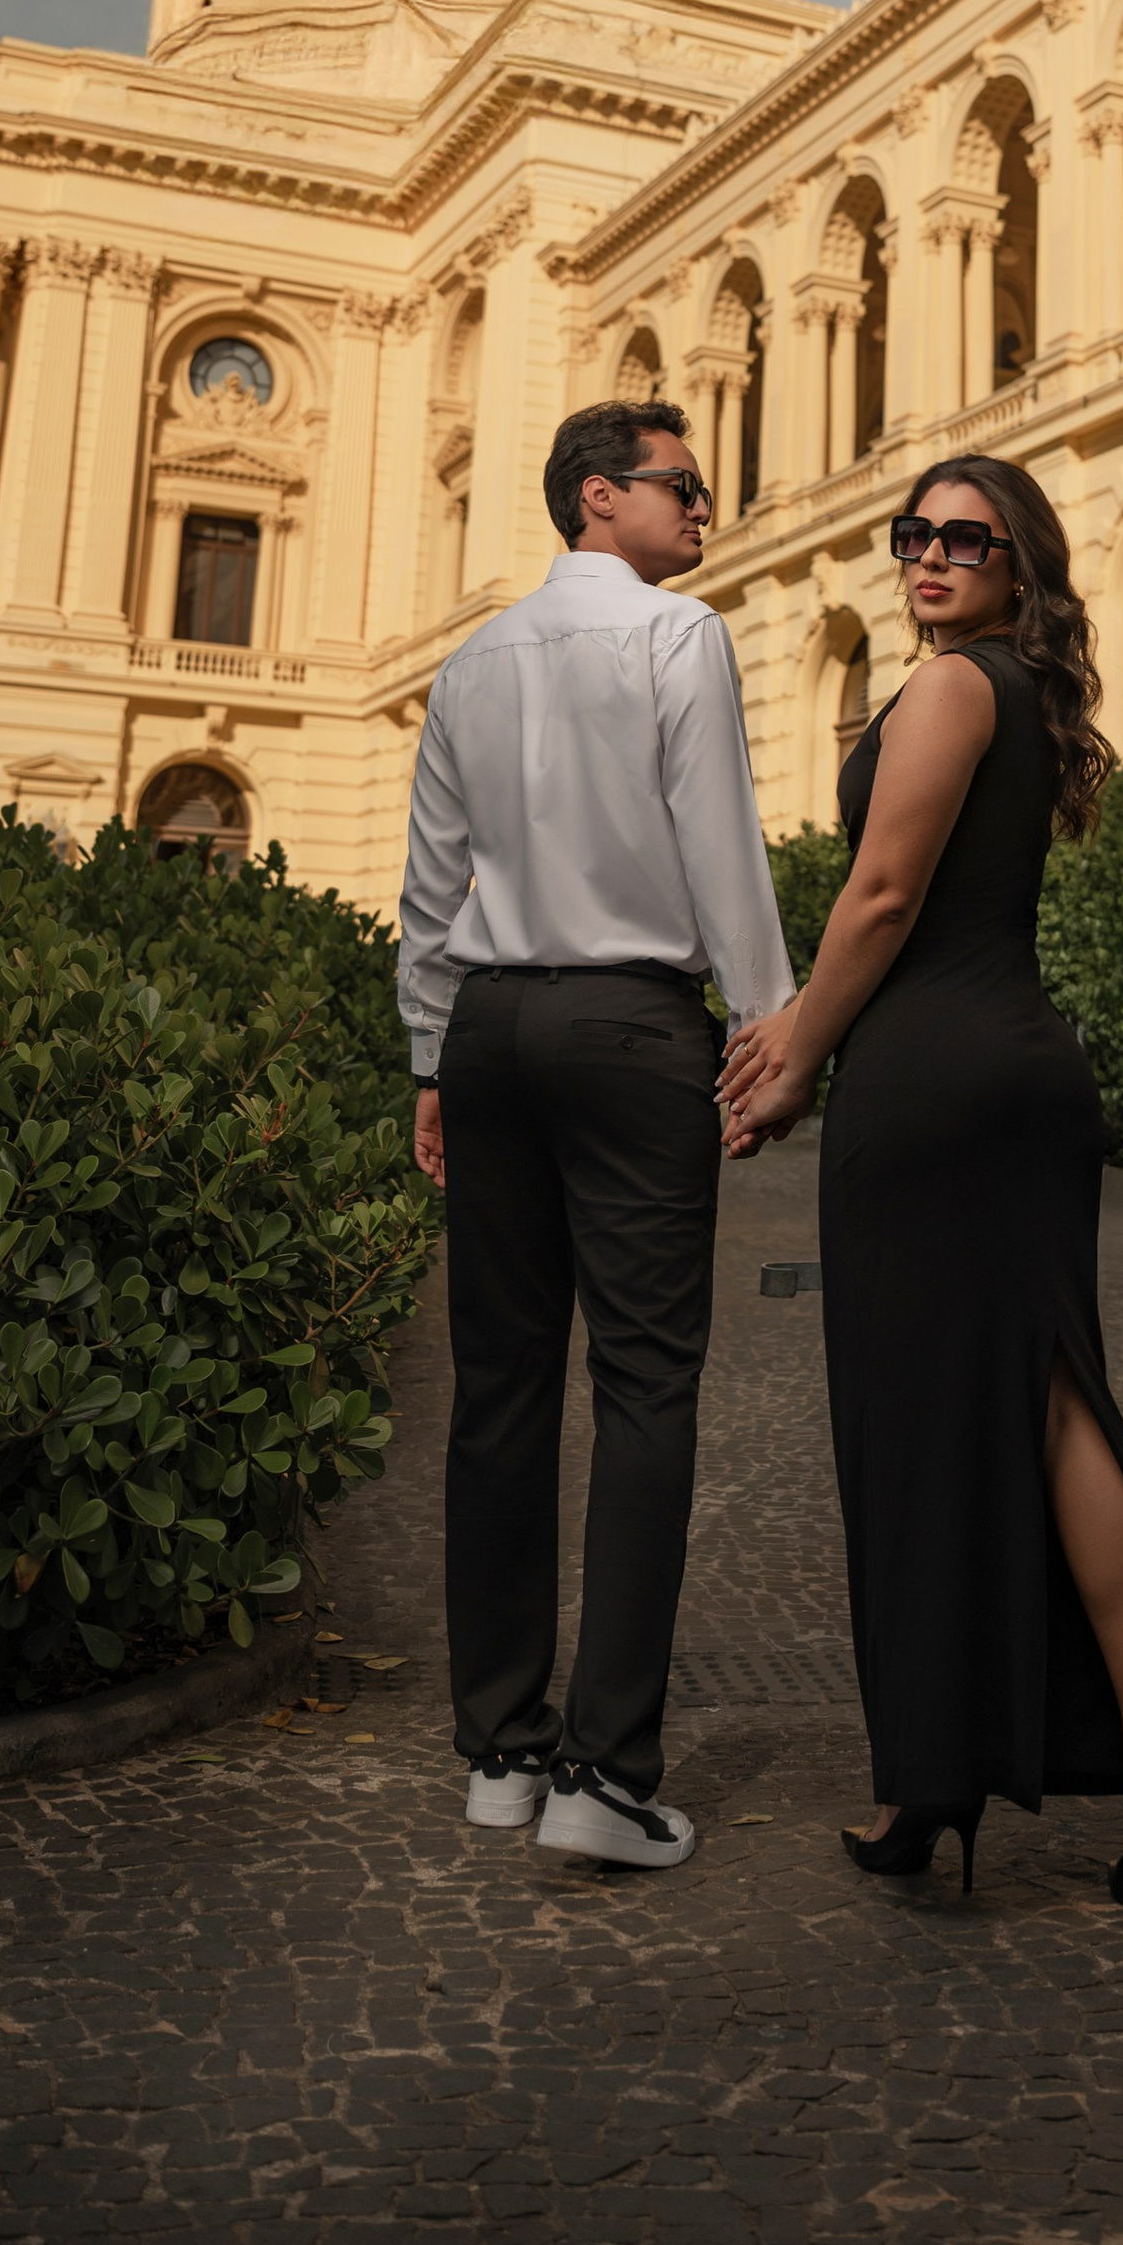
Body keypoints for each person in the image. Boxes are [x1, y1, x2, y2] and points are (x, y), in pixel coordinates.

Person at [719, 455, 1123, 1913]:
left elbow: (879, 896)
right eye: (914, 535)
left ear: (1021, 566)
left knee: (920, 1429)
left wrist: (797, 1050)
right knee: (1053, 1403)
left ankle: (929, 1776)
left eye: (968, 539)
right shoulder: (1022, 698)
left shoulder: (947, 689)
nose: (930, 556)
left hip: (932, 1084)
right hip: (1016, 1072)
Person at [398, 396, 795, 1872]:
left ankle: (500, 1753)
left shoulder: (472, 660)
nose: (706, 510)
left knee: (497, 1391)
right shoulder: (674, 637)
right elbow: (721, 844)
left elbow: (431, 885)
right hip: (631, 1031)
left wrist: (432, 1057)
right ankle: (605, 1776)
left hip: (494, 1028)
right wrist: (768, 1029)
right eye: (683, 487)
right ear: (594, 498)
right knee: (644, 1387)